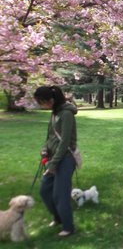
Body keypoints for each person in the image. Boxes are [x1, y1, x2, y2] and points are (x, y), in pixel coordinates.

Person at [34, 86, 78, 237]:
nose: (40, 105)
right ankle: (58, 218)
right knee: (45, 190)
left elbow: (65, 142)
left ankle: (68, 227)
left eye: (41, 102)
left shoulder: (66, 114)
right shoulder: (54, 113)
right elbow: (50, 136)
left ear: (51, 100)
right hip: (53, 157)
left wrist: (53, 165)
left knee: (60, 194)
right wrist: (45, 149)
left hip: (65, 159)